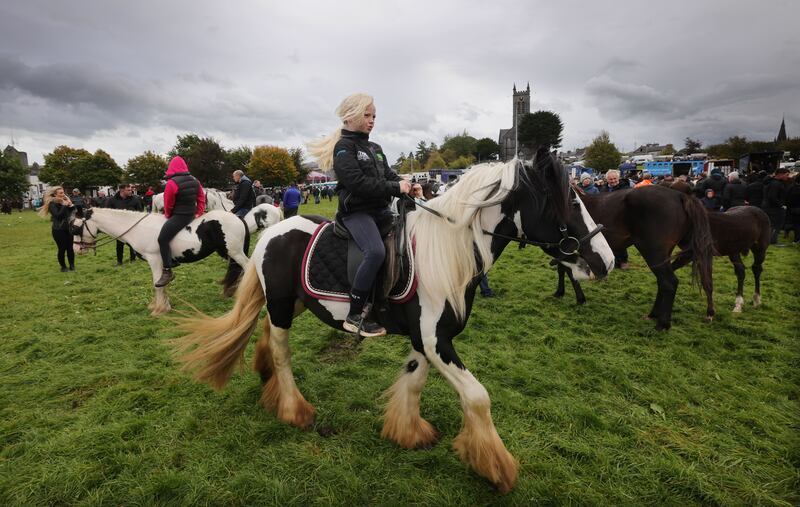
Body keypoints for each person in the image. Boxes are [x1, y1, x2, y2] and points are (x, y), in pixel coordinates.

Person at [308, 92, 417, 337]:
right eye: (366, 115)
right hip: (356, 214)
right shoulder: (343, 148)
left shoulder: (375, 148)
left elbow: (388, 175)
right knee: (376, 251)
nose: (372, 120)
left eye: (374, 116)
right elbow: (358, 184)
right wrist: (394, 187)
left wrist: (406, 184)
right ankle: (354, 314)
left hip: (380, 211)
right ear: (350, 117)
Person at [156, 156, 206, 287]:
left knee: (162, 239)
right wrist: (199, 212)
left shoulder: (171, 183)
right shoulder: (195, 180)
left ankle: (167, 270)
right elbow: (201, 198)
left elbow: (168, 204)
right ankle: (172, 260)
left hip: (180, 216)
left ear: (171, 168)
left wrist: (168, 215)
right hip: (191, 214)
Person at [38, 186, 75, 272]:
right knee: (62, 248)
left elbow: (73, 212)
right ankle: (63, 267)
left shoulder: (64, 202)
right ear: (55, 194)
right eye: (61, 193)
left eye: (63, 193)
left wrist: (70, 203)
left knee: (70, 248)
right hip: (58, 230)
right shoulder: (52, 204)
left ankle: (72, 265)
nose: (63, 195)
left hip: (68, 228)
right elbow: (58, 216)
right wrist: (65, 206)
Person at [107, 184, 144, 264]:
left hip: (132, 226)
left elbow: (140, 212)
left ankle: (133, 259)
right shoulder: (112, 200)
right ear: (122, 190)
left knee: (132, 243)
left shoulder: (135, 199)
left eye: (131, 190)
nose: (131, 191)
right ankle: (119, 261)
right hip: (119, 226)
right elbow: (108, 212)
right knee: (119, 244)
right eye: (128, 190)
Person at [762, 168, 790, 244]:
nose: (788, 177)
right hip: (773, 208)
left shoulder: (771, 182)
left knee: (771, 224)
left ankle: (770, 240)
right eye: (786, 175)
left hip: (768, 207)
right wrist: (781, 205)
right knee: (775, 224)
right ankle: (772, 240)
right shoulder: (776, 184)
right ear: (781, 174)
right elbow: (772, 196)